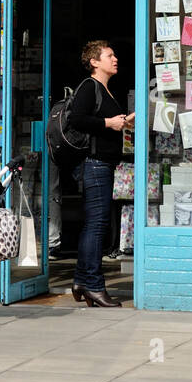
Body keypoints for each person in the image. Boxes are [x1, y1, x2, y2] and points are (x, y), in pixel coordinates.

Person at [68, 40, 134, 307]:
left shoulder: (106, 89)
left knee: (94, 225)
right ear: (95, 62)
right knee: (97, 226)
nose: (115, 58)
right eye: (109, 55)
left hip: (103, 164)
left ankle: (82, 280)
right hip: (94, 165)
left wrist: (122, 122)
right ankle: (93, 285)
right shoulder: (89, 86)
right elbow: (76, 119)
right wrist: (109, 122)